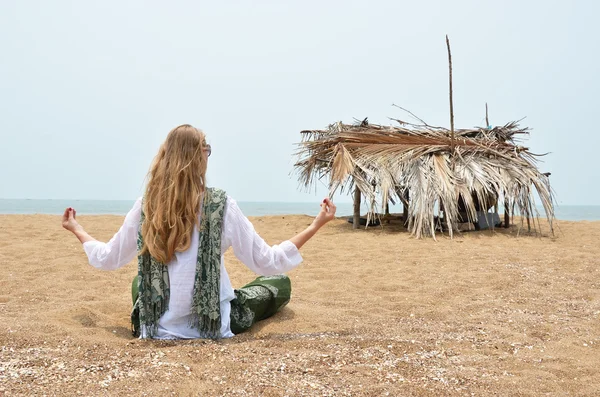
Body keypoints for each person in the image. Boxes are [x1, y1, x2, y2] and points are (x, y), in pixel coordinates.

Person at [61, 124, 336, 339]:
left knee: (138, 284)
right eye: (207, 149)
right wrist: (316, 225)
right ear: (199, 156)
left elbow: (108, 257)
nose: (209, 154)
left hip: (154, 327)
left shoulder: (147, 206)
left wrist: (78, 229)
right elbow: (268, 261)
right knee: (278, 283)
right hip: (212, 324)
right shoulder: (221, 205)